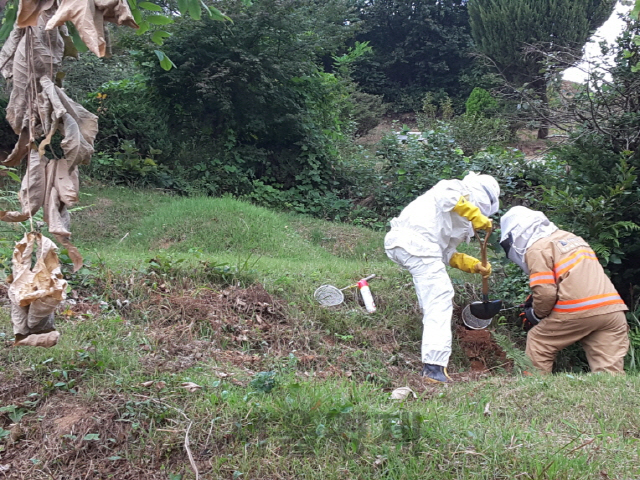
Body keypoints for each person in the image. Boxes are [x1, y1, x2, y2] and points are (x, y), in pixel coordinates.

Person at [384, 172, 500, 383]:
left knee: (433, 297)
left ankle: (433, 363)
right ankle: (433, 368)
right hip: (416, 243)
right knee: (440, 297)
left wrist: (473, 265)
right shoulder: (453, 188)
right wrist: (475, 214)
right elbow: (448, 198)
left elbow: (445, 252)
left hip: (415, 247)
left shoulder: (456, 217)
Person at [500, 206, 629, 374]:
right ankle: (613, 396)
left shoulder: (537, 248)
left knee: (539, 341)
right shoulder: (572, 238)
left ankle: (532, 390)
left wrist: (536, 314)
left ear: (516, 235)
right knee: (608, 370)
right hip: (612, 310)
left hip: (578, 309)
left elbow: (545, 293)